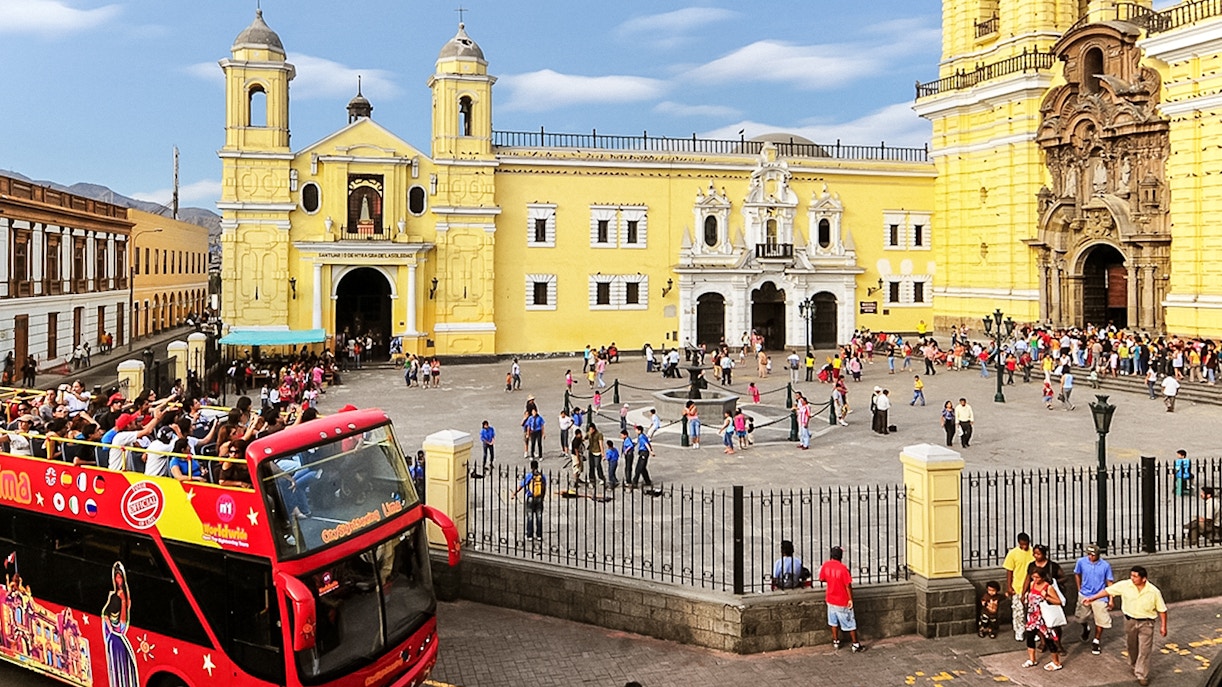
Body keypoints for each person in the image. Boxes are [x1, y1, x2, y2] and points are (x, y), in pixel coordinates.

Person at [1082, 566, 1167, 686]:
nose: (1132, 578)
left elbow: (1162, 610)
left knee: (1145, 649)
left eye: (1135, 576)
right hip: (1130, 620)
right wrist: (1092, 598)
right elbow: (1108, 590)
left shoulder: (1154, 591)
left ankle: (1142, 673)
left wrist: (1163, 626)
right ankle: (1133, 664)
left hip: (1146, 623)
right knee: (1131, 645)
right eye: (1131, 575)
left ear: (1144, 579)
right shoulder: (1125, 585)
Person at [818, 546, 865, 652]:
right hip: (842, 600)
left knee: (833, 622)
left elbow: (822, 578)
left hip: (830, 599)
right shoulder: (843, 569)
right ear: (841, 556)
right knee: (850, 623)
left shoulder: (826, 565)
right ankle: (855, 644)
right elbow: (848, 585)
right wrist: (850, 599)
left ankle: (835, 641)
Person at [1020, 568, 1064, 671]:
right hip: (1032, 616)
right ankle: (1032, 659)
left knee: (1049, 639)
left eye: (1037, 577)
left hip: (1043, 617)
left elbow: (1058, 601)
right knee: (1030, 636)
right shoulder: (1032, 585)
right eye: (1033, 577)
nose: (1035, 579)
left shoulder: (1048, 588)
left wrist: (1047, 597)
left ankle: (1056, 662)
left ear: (1043, 577)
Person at [1074, 544, 1114, 655]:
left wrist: (1111, 599)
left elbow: (1109, 582)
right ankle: (1085, 627)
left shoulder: (1105, 566)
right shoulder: (1081, 562)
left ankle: (1096, 640)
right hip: (1085, 593)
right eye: (1089, 555)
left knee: (1101, 619)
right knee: (1081, 617)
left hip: (1100, 595)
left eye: (1093, 555)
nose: (1091, 557)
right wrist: (1079, 588)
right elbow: (1077, 574)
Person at [1003, 533, 1036, 642]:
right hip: (1018, 586)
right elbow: (1009, 571)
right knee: (1018, 611)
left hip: (1032, 587)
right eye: (1022, 544)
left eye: (1026, 544)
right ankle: (1019, 630)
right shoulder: (1013, 554)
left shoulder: (1033, 552)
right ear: (1019, 543)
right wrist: (1009, 587)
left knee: (1032, 610)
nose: (1025, 547)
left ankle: (1033, 630)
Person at [512, 460, 547, 541]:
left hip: (530, 498)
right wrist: (543, 497)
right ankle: (539, 535)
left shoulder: (529, 476)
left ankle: (529, 535)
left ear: (531, 467)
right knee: (539, 516)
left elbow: (521, 485)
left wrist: (514, 493)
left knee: (530, 516)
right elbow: (544, 487)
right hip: (539, 498)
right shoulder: (542, 476)